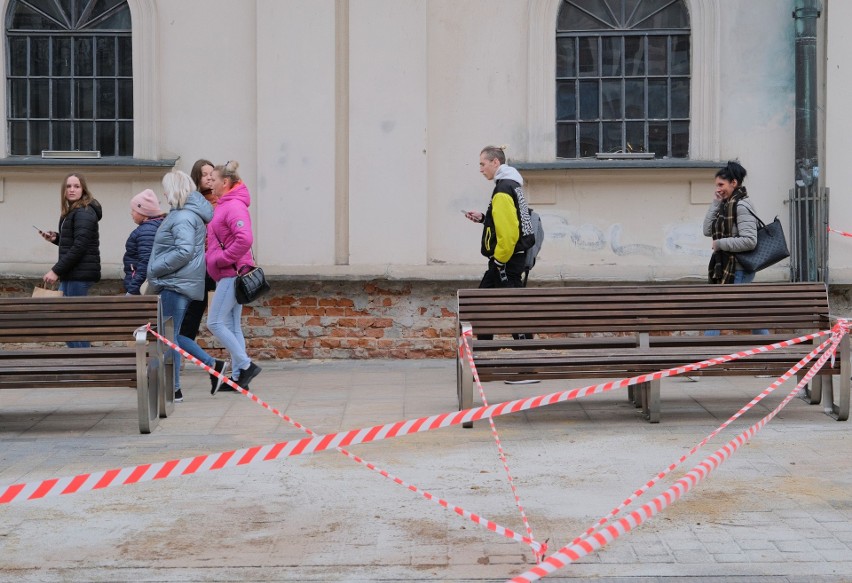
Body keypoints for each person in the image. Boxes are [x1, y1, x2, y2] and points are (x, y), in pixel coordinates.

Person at [147, 170, 227, 402]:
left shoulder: (183, 217)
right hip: (177, 282)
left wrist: (155, 267)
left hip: (175, 283)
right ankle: (211, 367)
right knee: (174, 335)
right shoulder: (186, 214)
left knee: (169, 337)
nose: (163, 192)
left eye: (165, 187)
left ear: (174, 189)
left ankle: (175, 389)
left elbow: (183, 251)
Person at [463, 145, 536, 345]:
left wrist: (498, 260)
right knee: (483, 306)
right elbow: (512, 222)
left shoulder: (503, 189)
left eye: (482, 164)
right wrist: (483, 218)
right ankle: (485, 353)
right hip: (509, 259)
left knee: (513, 312)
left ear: (496, 162)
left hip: (505, 261)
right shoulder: (512, 184)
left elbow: (510, 233)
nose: (480, 169)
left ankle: (526, 364)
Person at [206, 160, 262, 392]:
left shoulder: (233, 206)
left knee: (215, 322)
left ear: (225, 182)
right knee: (231, 324)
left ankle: (246, 366)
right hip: (229, 273)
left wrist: (222, 259)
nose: (210, 181)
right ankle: (240, 377)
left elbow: (245, 239)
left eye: (214, 179)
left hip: (231, 273)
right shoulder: (226, 204)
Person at [702, 160, 768, 336]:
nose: (717, 189)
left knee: (718, 312)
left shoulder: (741, 206)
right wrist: (715, 204)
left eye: (721, 184)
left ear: (734, 183)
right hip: (727, 267)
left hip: (737, 268)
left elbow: (749, 241)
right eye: (716, 185)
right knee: (747, 308)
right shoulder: (725, 205)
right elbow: (707, 230)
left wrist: (720, 244)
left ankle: (703, 354)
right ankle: (770, 344)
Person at [40, 173, 102, 348]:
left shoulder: (83, 212)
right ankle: (80, 362)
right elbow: (75, 242)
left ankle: (85, 364)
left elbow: (80, 247)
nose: (72, 190)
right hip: (72, 273)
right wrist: (56, 238)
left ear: (83, 189)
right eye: (68, 186)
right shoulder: (74, 210)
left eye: (76, 186)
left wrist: (55, 270)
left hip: (78, 275)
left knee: (73, 323)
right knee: (66, 321)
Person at [180, 159, 218, 341]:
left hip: (216, 262)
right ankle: (183, 350)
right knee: (191, 312)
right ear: (197, 177)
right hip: (197, 263)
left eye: (212, 174)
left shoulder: (220, 200)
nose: (209, 178)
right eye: (204, 175)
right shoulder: (194, 202)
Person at [122, 189, 165, 295]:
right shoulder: (154, 227)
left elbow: (145, 263)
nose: (131, 213)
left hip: (140, 289)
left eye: (134, 210)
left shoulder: (146, 231)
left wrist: (132, 290)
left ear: (144, 212)